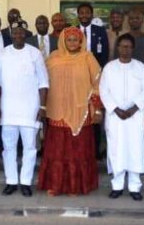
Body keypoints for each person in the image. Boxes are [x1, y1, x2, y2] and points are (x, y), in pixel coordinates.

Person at [37, 27, 101, 196]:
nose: (72, 42)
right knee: (57, 151)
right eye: (69, 39)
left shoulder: (88, 58)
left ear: (81, 42)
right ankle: (56, 185)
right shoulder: (53, 58)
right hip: (57, 109)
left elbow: (98, 83)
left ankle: (76, 186)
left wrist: (97, 107)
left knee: (77, 151)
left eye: (75, 39)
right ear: (63, 41)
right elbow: (42, 81)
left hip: (81, 111)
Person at [0, 23, 49, 197]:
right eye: (15, 33)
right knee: (8, 148)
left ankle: (26, 182)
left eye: (21, 33)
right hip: (8, 109)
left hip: (30, 109)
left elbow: (43, 82)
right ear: (11, 35)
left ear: (26, 35)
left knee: (30, 148)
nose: (18, 35)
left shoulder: (34, 53)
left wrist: (42, 106)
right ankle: (11, 181)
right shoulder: (3, 53)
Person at [100, 33, 144, 201]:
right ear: (117, 48)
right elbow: (103, 91)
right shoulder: (109, 68)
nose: (126, 49)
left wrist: (133, 109)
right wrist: (116, 109)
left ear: (133, 49)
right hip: (115, 117)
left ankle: (134, 186)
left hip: (135, 117)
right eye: (123, 46)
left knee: (135, 149)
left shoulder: (141, 68)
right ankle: (117, 185)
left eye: (129, 47)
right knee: (116, 150)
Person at [76, 2, 109, 159]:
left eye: (87, 12)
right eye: (81, 13)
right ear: (78, 15)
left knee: (95, 110)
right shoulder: (73, 31)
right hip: (77, 78)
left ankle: (95, 150)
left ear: (91, 14)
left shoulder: (100, 31)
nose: (84, 15)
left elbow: (105, 54)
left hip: (95, 77)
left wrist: (99, 75)